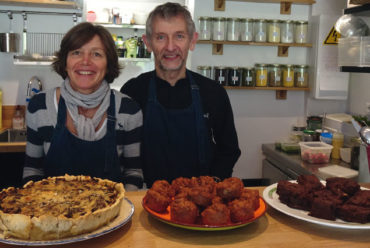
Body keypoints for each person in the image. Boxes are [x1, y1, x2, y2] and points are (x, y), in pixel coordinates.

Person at [120, 2, 241, 188]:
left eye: (179, 36)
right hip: (147, 196)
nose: (170, 47)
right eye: (161, 37)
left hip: (201, 200)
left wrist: (214, 184)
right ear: (148, 43)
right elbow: (122, 152)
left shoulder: (213, 92)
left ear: (192, 41)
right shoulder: (133, 91)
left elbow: (229, 150)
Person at [23, 22, 143, 190]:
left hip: (112, 212)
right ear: (65, 62)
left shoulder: (128, 110)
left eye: (96, 54)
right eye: (76, 52)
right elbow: (32, 170)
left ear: (108, 63)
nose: (85, 61)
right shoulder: (40, 106)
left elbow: (134, 173)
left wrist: (122, 210)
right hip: (52, 211)